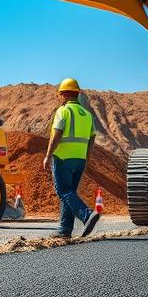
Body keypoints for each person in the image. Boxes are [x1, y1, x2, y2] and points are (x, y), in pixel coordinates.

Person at [43, 78, 100, 238]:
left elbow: (57, 134)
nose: (59, 98)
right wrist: (86, 159)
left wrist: (47, 155)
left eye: (60, 94)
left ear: (66, 95)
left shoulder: (63, 111)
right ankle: (64, 230)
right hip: (80, 159)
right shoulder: (88, 115)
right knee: (70, 193)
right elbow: (92, 139)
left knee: (62, 191)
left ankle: (87, 214)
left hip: (63, 157)